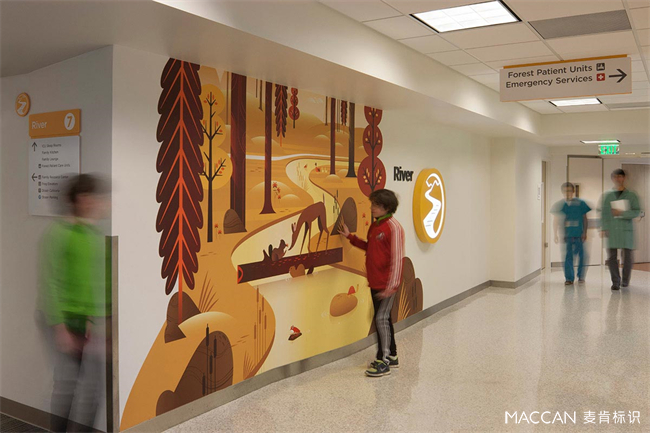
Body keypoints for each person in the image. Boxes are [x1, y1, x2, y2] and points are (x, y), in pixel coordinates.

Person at [39, 174, 110, 432]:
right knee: (67, 384)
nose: (96, 203)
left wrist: (93, 318)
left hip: (85, 320)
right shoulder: (58, 233)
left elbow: (93, 282)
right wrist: (60, 329)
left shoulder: (93, 234)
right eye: (89, 197)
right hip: (61, 319)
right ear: (78, 200)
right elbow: (49, 283)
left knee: (92, 388)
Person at [339, 189, 404, 377]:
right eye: (372, 204)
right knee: (384, 319)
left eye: (376, 205)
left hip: (387, 285)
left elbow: (397, 259)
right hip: (375, 282)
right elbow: (371, 247)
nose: (372, 208)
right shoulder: (376, 226)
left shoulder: (394, 227)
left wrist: (391, 287)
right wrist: (350, 237)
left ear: (387, 207)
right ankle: (392, 355)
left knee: (380, 319)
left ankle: (383, 361)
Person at [600, 169, 641, 290]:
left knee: (627, 257)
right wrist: (603, 228)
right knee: (612, 257)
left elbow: (636, 211)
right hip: (612, 229)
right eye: (615, 177)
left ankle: (625, 280)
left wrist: (622, 213)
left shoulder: (631, 195)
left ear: (624, 178)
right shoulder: (608, 196)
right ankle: (615, 282)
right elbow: (604, 213)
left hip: (626, 229)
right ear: (612, 178)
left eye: (620, 176)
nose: (618, 179)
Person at [552, 182, 591, 285]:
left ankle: (581, 276)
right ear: (562, 192)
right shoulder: (560, 205)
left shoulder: (580, 203)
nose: (567, 193)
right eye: (565, 191)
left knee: (582, 256)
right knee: (568, 257)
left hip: (579, 234)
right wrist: (555, 234)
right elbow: (556, 220)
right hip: (567, 235)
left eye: (569, 191)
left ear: (573, 191)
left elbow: (585, 218)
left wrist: (585, 232)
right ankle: (569, 278)